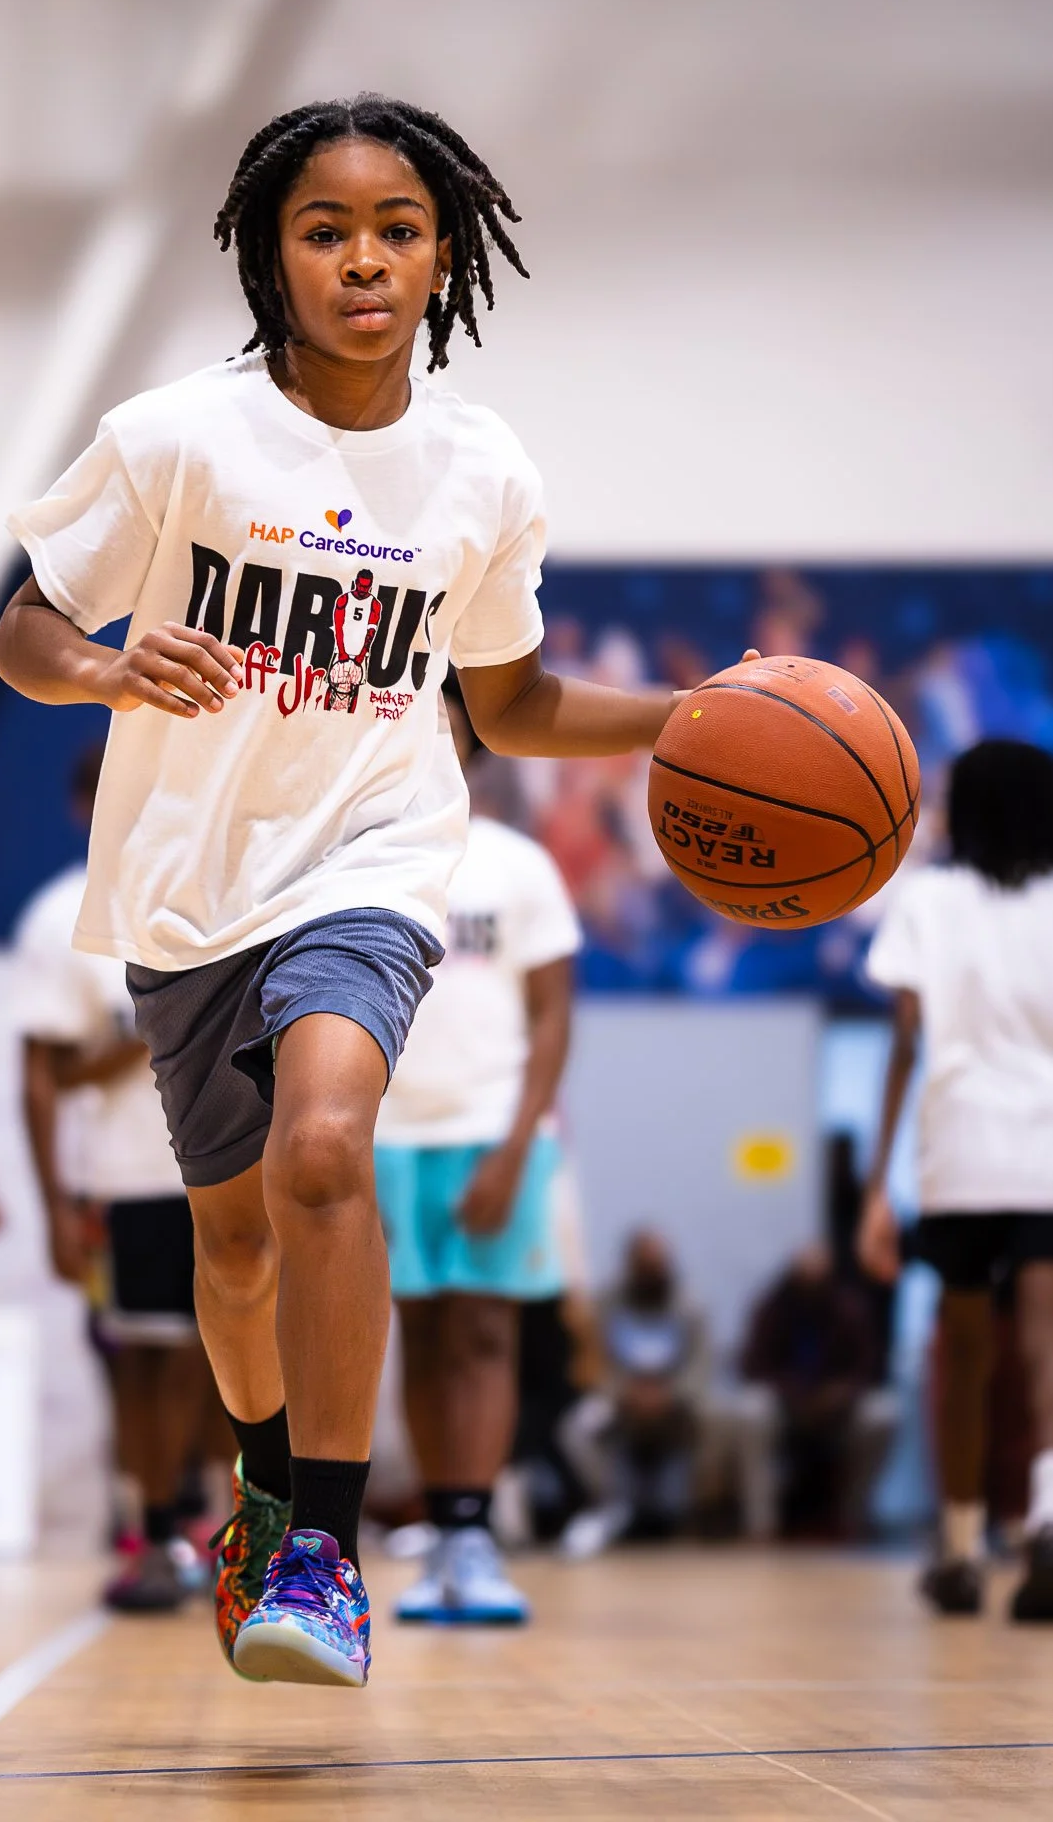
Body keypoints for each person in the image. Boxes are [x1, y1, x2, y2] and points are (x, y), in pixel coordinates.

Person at [0, 93, 684, 1689]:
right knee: (228, 1249)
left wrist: (684, 713)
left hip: (371, 860)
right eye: (325, 231)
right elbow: (22, 637)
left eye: (395, 230)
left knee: (322, 1151)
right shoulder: (178, 437)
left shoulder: (481, 469)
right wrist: (104, 665)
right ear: (269, 254)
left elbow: (504, 707)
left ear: (443, 255)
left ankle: (324, 1545)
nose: (363, 258)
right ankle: (258, 1482)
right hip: (186, 894)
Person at [374, 682, 580, 1622]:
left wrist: (515, 1143)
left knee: (488, 1332)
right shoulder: (358, 857)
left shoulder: (519, 867)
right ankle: (439, 1531)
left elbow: (551, 1022)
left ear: (475, 734)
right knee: (420, 1333)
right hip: (387, 1132)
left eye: (447, 712)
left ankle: (476, 1536)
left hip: (493, 1127)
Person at [15, 743, 214, 1612]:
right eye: (102, 793)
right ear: (79, 808)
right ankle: (152, 1525)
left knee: (210, 1359)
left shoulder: (208, 892)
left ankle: (206, 1519)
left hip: (212, 1169)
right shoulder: (57, 918)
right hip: (120, 1178)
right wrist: (53, 1204)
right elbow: (42, 1075)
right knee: (138, 1363)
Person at [860, 739, 1053, 1621]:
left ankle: (962, 1543)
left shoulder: (926, 899)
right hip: (1044, 1153)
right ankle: (1045, 1522)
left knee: (965, 1359)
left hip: (958, 1156)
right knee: (1046, 1348)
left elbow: (903, 1041)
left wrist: (873, 1190)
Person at [720, 1242, 897, 1540]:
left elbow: (868, 1368)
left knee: (883, 1412)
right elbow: (752, 1365)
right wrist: (796, 1394)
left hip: (838, 1411)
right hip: (786, 1407)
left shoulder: (850, 1309)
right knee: (752, 1409)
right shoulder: (772, 1307)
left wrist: (841, 1393)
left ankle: (852, 1517)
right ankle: (761, 1524)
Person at [559, 1229, 711, 1557]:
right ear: (630, 1266)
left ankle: (696, 1513)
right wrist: (624, 1391)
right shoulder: (606, 1303)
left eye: (659, 1265)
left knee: (716, 1418)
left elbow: (701, 1365)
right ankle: (611, 1504)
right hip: (620, 1399)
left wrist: (669, 1393)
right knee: (576, 1427)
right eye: (646, 1265)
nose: (654, 1272)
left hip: (675, 1403)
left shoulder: (691, 1306)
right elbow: (592, 1361)